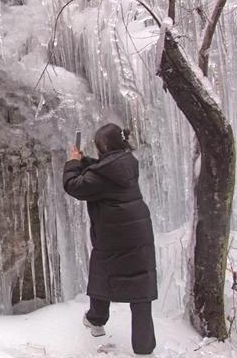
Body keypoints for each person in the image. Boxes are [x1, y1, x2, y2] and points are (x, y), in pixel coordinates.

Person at [62, 123, 157, 355]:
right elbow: (103, 171)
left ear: (103, 146)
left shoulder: (101, 176)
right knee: (140, 288)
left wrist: (73, 162)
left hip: (113, 235)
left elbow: (73, 186)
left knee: (102, 274)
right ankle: (145, 348)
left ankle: (96, 320)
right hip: (138, 232)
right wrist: (85, 162)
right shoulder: (127, 161)